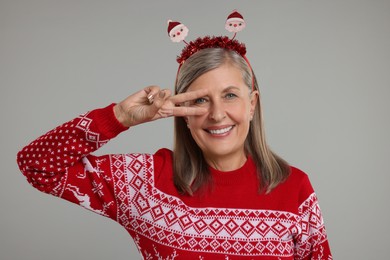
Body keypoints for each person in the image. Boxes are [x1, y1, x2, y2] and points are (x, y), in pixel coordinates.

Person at [17, 11, 332, 260]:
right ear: (182, 112)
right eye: (199, 100)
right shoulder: (147, 182)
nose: (217, 114)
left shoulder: (295, 189)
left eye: (231, 95)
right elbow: (37, 165)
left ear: (252, 104)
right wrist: (118, 118)